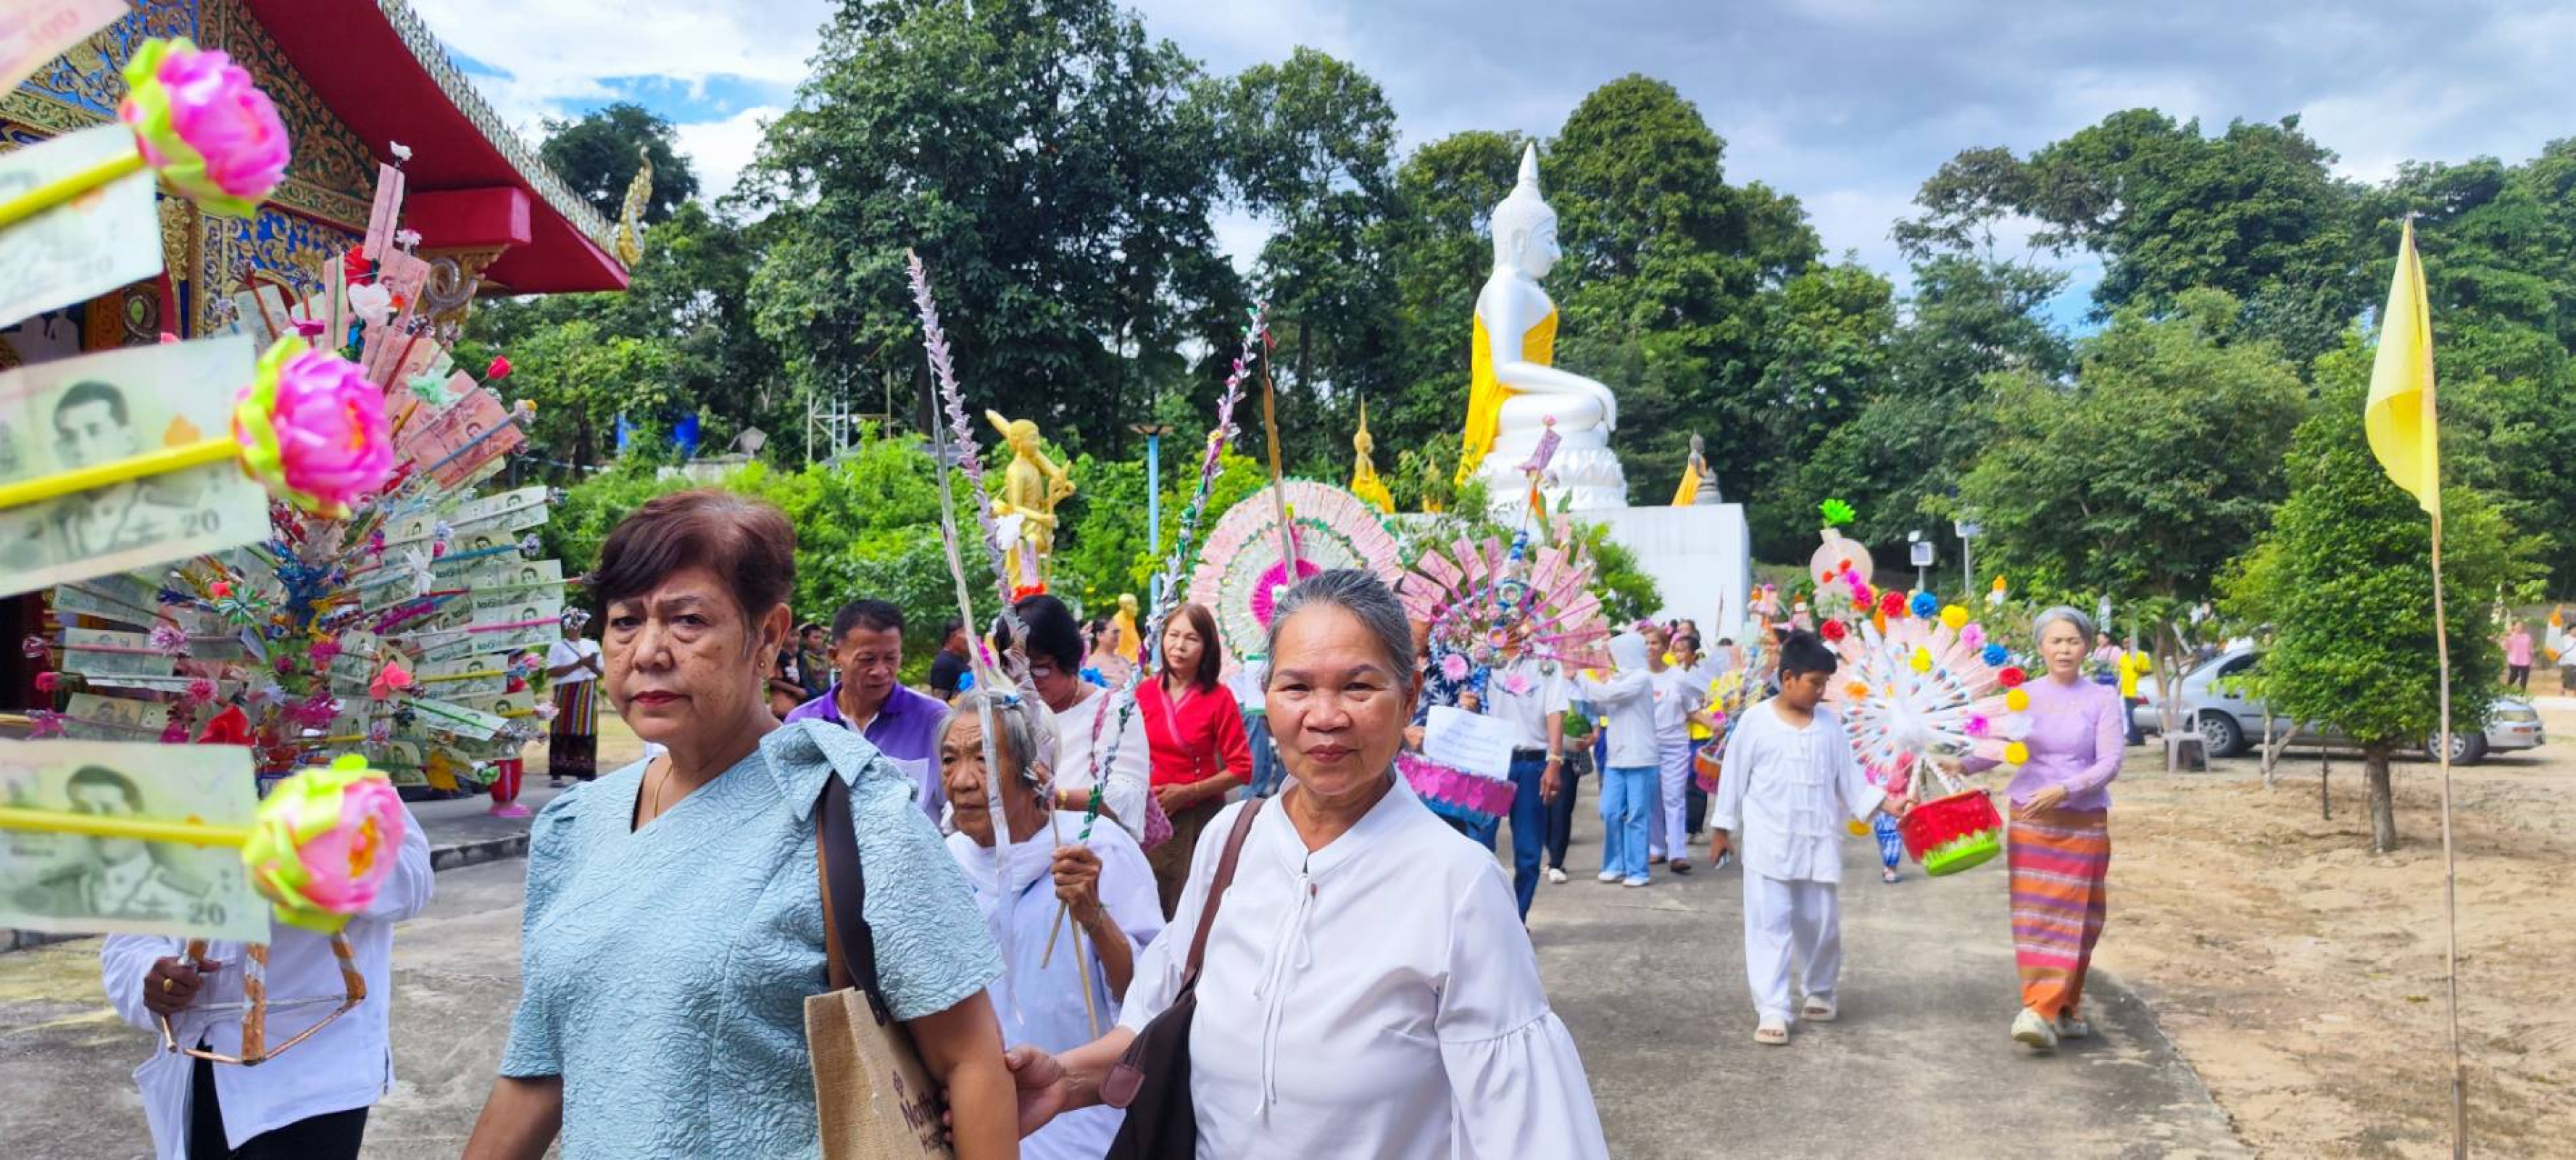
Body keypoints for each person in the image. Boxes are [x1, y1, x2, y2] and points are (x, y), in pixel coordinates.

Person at [461, 490, 1016, 1160]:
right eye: (625, 622)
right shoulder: (576, 826)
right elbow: (541, 1064)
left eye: (688, 620)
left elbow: (970, 1062)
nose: (649, 652)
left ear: (769, 635)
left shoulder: (857, 814)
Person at [1003, 570, 1609, 1157]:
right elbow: (1153, 1015)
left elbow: (1525, 1125)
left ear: (1409, 697)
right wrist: (1064, 1080)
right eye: (1296, 688)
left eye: (1358, 687)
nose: (1325, 716)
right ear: (1266, 696)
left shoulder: (1459, 884)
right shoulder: (1231, 840)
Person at [103, 788, 431, 1159]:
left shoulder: (346, 782)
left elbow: (411, 883)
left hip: (313, 1077)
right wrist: (148, 971)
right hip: (194, 1064)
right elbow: (129, 929)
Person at [939, 689, 1163, 1159]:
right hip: (971, 1119)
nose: (961, 781)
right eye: (949, 760)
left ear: (1034, 773)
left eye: (983, 759)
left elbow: (1148, 997)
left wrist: (1093, 915)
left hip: (1080, 1109)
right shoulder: (943, 865)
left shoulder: (1096, 850)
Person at [1709, 629, 1902, 1045]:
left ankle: (1820, 989)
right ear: (1788, 678)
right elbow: (1733, 778)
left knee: (1820, 923)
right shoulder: (1755, 722)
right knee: (1769, 924)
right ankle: (1773, 1007)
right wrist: (1722, 829)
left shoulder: (1830, 727)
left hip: (1817, 841)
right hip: (1768, 842)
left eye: (1825, 683)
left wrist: (1889, 804)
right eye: (1815, 682)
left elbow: (1851, 782)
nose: (1821, 691)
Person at [1964, 606, 2124, 1053]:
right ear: (2040, 647)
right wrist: (1958, 764)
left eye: (2073, 641)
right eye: (2055, 641)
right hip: (2031, 818)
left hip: (2082, 820)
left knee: (2082, 919)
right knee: (2037, 917)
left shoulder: (2102, 699)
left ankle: (2065, 1007)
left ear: (2087, 647)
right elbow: (1997, 747)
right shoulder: (2022, 696)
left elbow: (2110, 762)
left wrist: (2066, 789)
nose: (2064, 649)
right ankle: (2038, 1008)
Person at [995, 594, 1154, 846]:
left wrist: (1056, 796)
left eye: (1039, 668)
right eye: (1014, 669)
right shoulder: (1007, 714)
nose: (1025, 681)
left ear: (1067, 658)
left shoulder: (1114, 710)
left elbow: (1125, 800)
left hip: (1091, 858)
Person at [785, 599, 950, 821]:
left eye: (891, 658)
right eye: (867, 660)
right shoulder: (803, 725)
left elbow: (956, 807)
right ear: (834, 656)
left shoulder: (934, 719)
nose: (880, 671)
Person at [1135, 602, 1252, 914]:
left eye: (1191, 639)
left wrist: (1189, 791)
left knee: (1190, 906)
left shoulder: (1220, 698)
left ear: (1207, 647)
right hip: (1149, 815)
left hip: (1197, 819)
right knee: (1147, 901)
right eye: (1173, 635)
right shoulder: (1143, 692)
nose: (1179, 646)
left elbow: (1242, 769)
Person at [17, 766, 210, 921]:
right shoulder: (57, 890)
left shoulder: (191, 894)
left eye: (109, 810)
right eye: (84, 812)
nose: (96, 823)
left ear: (140, 818)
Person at [1482, 629, 1569, 918]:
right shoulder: (1480, 656)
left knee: (1529, 853)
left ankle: (1517, 921)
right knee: (1480, 848)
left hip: (1531, 764)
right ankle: (1488, 919)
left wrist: (1554, 761)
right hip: (1488, 763)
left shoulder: (1545, 660)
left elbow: (1555, 711)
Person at [1575, 632, 1659, 887]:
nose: (1611, 658)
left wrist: (1579, 676)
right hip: (1616, 757)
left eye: (1613, 653)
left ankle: (1638, 870)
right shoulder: (1616, 680)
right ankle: (1614, 864)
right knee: (1609, 811)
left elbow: (1610, 696)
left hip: (1640, 757)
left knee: (1636, 815)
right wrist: (1579, 699)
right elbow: (1603, 705)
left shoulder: (1642, 678)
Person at [1641, 624, 1707, 874]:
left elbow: (1692, 710)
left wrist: (1715, 724)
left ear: (1665, 648)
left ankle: (1678, 852)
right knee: (1652, 797)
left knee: (1674, 796)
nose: (1650, 648)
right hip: (1646, 745)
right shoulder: (1637, 677)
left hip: (1675, 745)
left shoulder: (1679, 677)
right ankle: (1657, 847)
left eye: (1654, 643)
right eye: (1646, 643)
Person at [544, 613, 603, 787]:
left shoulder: (592, 644)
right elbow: (551, 672)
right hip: (566, 693)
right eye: (571, 626)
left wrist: (590, 665)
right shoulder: (558, 646)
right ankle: (557, 773)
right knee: (561, 729)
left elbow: (602, 672)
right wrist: (578, 665)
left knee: (586, 730)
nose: (575, 629)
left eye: (578, 625)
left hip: (587, 691)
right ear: (565, 627)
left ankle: (584, 771)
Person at [1082, 616, 1133, 688]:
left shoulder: (1124, 660)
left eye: (1118, 632)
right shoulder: (1091, 664)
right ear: (1100, 635)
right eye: (1114, 632)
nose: (1118, 635)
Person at [928, 616, 971, 701]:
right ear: (952, 636)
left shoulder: (958, 659)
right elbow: (940, 700)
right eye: (965, 632)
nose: (969, 639)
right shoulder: (944, 663)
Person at [795, 621, 833, 702]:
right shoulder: (802, 655)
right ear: (805, 640)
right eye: (815, 638)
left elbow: (838, 634)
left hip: (827, 696)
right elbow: (796, 633)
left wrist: (820, 628)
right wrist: (808, 625)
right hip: (811, 698)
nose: (819, 640)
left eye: (821, 638)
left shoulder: (826, 652)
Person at [2503, 621, 2534, 692]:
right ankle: (2507, 688)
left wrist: (2532, 653)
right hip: (2514, 660)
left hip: (2525, 661)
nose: (2520, 627)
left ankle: (2522, 693)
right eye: (2518, 626)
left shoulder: (2527, 636)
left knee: (2524, 678)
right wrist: (2506, 639)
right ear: (2514, 627)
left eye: (2521, 626)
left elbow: (2530, 647)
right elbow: (2505, 647)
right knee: (2514, 676)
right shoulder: (2510, 636)